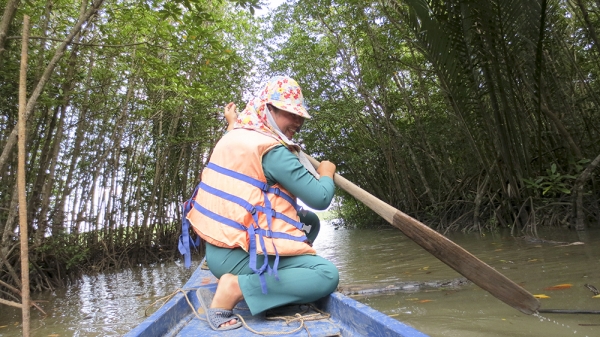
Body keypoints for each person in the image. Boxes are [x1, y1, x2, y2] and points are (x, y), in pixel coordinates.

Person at [185, 76, 339, 330]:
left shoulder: (232, 137)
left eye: (300, 116)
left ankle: (282, 283)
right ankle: (234, 288)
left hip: (218, 249)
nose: (298, 122)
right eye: (291, 114)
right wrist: (326, 172)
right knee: (326, 275)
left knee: (308, 222)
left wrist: (232, 122)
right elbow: (321, 198)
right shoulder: (272, 150)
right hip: (237, 256)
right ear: (268, 109)